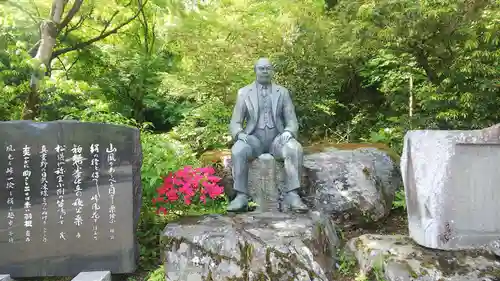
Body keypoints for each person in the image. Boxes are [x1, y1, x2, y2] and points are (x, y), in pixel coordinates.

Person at [227, 57, 308, 213]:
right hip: (253, 139)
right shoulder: (243, 92)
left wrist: (288, 132)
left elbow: (292, 121)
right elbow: (235, 122)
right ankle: (241, 196)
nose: (265, 71)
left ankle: (292, 194)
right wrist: (239, 134)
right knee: (238, 149)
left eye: (268, 68)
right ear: (255, 70)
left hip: (277, 140)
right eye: (261, 68)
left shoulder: (282, 92)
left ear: (272, 71)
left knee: (294, 148)